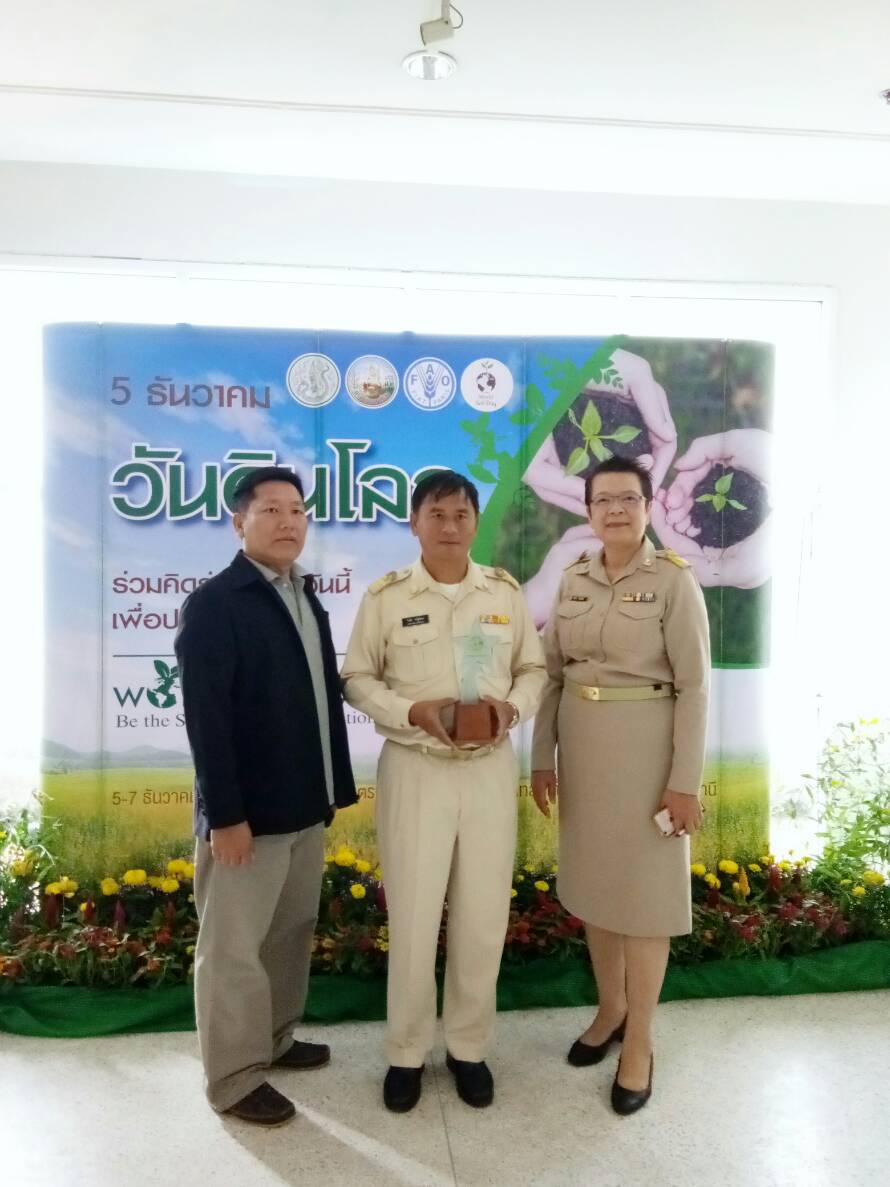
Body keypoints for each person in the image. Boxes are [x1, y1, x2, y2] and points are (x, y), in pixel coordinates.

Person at [341, 470, 546, 1113]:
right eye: (437, 514)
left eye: (461, 515)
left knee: (483, 917)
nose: (450, 526)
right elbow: (356, 678)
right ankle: (406, 1053)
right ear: (414, 522)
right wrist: (412, 712)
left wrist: (512, 708)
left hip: (488, 770)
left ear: (475, 523)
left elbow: (533, 669)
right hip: (416, 767)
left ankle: (468, 1048)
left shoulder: (503, 592)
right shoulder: (387, 596)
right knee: (414, 915)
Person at [175, 466, 357, 1127]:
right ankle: (232, 1077)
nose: (288, 521)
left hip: (304, 806)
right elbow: (207, 720)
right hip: (246, 820)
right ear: (239, 522)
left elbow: (319, 701)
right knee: (233, 949)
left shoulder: (305, 596)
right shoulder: (217, 603)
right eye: (271, 509)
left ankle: (275, 1039)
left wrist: (331, 790)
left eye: (297, 510)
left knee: (289, 932)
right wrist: (225, 816)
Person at [531, 455, 710, 1116]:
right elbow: (552, 673)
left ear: (648, 506)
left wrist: (684, 781)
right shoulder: (574, 577)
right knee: (596, 889)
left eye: (627, 499)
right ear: (587, 510)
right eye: (602, 499)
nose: (614, 510)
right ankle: (610, 1009)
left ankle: (640, 1041)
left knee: (645, 900)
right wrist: (542, 758)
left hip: (646, 754)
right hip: (583, 750)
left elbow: (695, 687)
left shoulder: (673, 581)